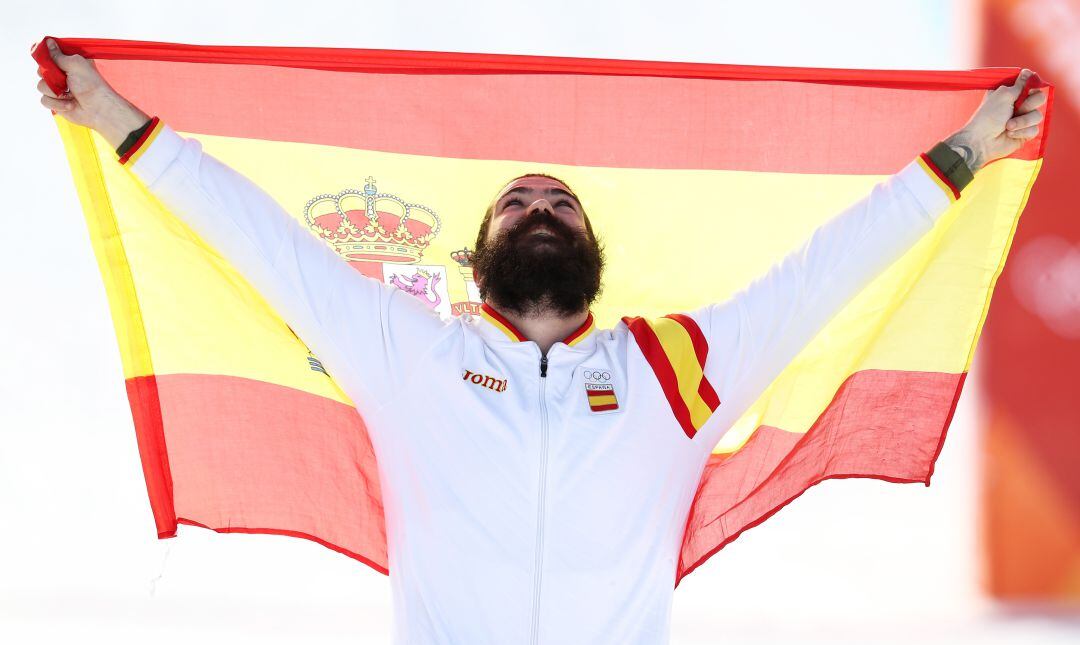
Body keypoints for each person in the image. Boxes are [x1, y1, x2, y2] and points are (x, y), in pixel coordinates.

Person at [37, 38, 1045, 645]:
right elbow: (261, 243)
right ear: (479, 261)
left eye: (558, 200)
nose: (538, 206)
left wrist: (967, 150)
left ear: (595, 255)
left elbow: (826, 270)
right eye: (516, 203)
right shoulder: (408, 355)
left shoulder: (677, 371)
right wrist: (115, 118)